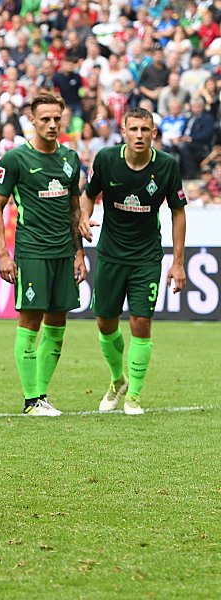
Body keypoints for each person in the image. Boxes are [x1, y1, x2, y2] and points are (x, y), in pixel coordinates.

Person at [80, 107, 186, 415]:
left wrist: (178, 262)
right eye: (133, 129)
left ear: (154, 133)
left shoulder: (167, 166)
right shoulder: (105, 160)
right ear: (123, 132)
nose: (139, 135)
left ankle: (134, 396)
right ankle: (118, 381)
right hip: (111, 254)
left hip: (147, 257)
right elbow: (89, 193)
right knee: (105, 321)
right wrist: (84, 216)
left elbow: (178, 212)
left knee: (141, 323)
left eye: (145, 130)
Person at [0, 92, 86, 417]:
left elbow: (75, 210)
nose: (51, 124)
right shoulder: (15, 160)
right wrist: (3, 254)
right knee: (30, 320)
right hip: (32, 251)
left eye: (56, 119)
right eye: (44, 119)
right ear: (32, 120)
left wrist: (79, 254)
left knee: (58, 322)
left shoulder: (71, 159)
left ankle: (42, 395)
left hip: (64, 252)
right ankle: (31, 400)